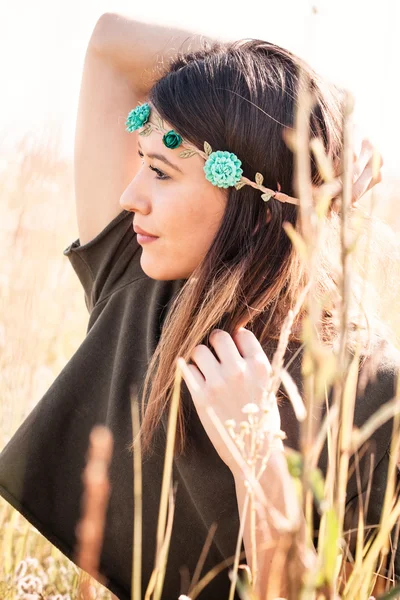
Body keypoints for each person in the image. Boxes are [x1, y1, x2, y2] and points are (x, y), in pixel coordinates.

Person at [0, 12, 398, 600]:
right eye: (139, 163)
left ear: (260, 207)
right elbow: (110, 43)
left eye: (160, 171)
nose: (129, 196)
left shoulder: (366, 391)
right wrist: (311, 105)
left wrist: (259, 458)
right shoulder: (136, 286)